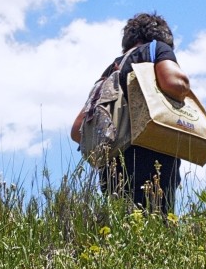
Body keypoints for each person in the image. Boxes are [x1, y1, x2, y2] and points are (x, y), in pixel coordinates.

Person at [71, 12, 194, 215]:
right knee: (156, 227)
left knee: (122, 229)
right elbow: (174, 83)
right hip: (153, 160)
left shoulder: (110, 71)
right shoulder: (155, 50)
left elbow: (78, 131)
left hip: (111, 167)